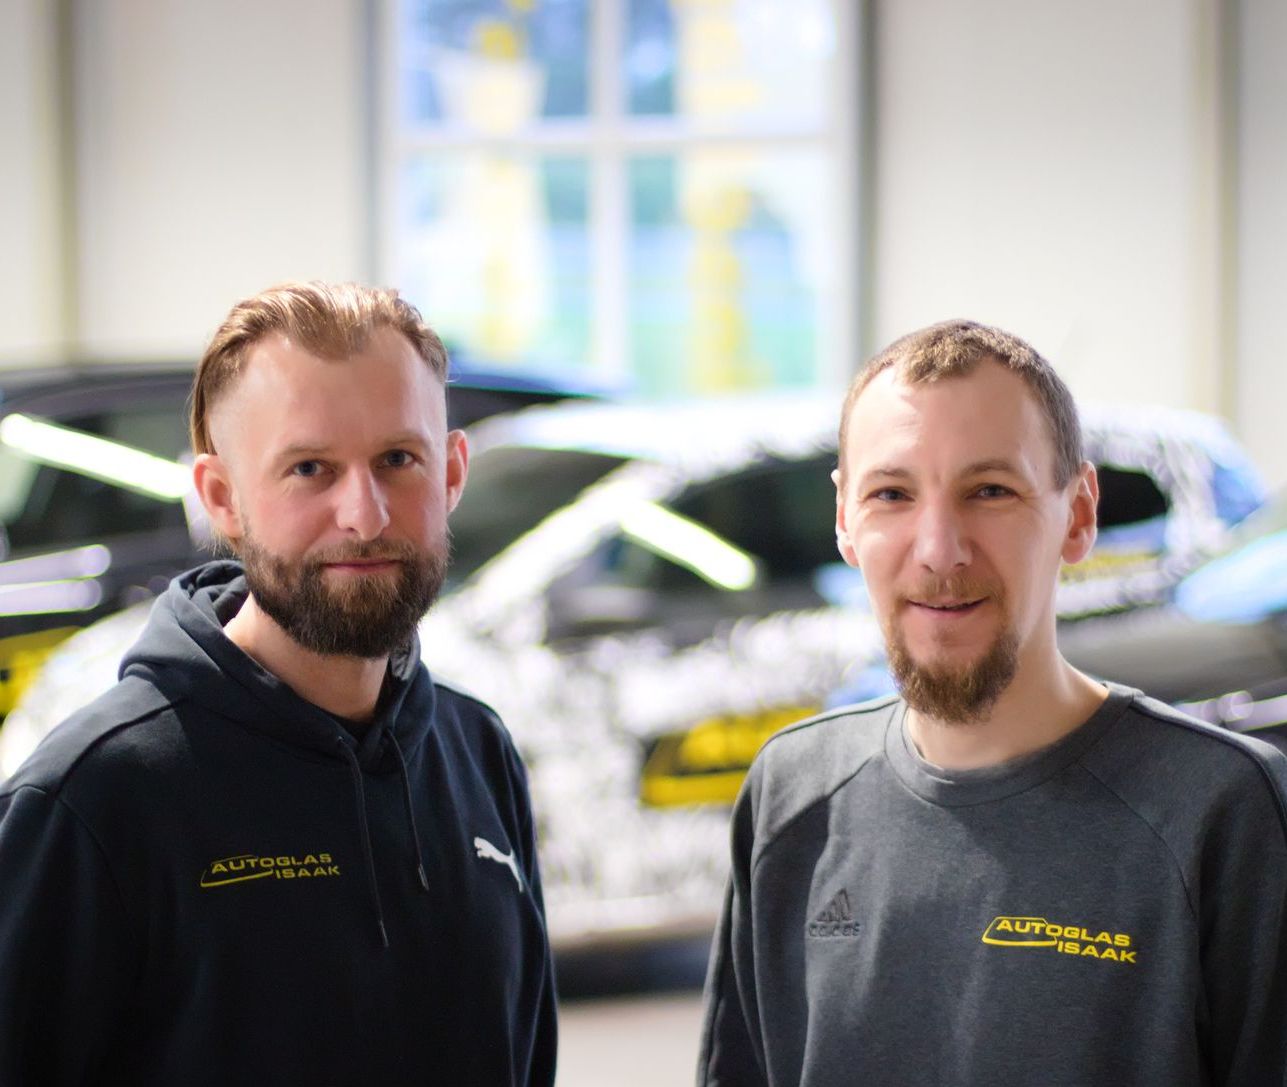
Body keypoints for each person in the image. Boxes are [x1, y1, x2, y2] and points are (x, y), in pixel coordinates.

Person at [698, 319, 1287, 1086]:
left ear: (1077, 513)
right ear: (844, 517)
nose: (939, 549)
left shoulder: (1219, 808)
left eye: (989, 491)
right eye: (891, 493)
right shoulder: (791, 792)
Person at [0, 282, 557, 1085]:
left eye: (397, 459)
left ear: (451, 473)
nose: (364, 514)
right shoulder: (94, 799)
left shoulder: (477, 753)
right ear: (221, 498)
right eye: (309, 468)